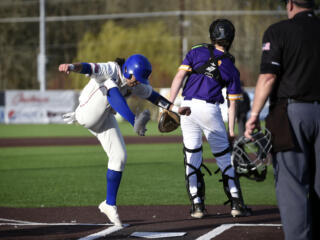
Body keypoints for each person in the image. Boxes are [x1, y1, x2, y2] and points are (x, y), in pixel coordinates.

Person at [59, 54, 190, 227]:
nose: (137, 82)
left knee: (119, 157)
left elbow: (154, 97)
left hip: (104, 118)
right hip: (86, 113)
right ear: (127, 71)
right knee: (109, 82)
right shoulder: (111, 69)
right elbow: (88, 67)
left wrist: (176, 108)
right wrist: (71, 66)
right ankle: (133, 120)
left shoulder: (135, 82)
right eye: (137, 78)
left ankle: (109, 204)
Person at [245, 1, 320, 239]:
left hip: (292, 113)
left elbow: (268, 76)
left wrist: (254, 114)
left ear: (289, 4)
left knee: (292, 185)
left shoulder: (279, 31)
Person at [169, 19, 252, 219]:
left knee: (192, 157)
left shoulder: (196, 51)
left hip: (187, 108)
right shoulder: (231, 67)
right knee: (224, 158)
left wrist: (168, 106)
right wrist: (231, 131)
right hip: (209, 109)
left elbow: (179, 77)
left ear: (211, 35)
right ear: (231, 38)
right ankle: (236, 204)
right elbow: (233, 104)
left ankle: (197, 206)